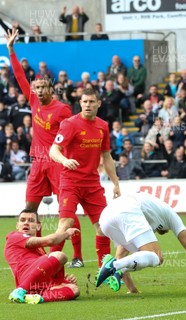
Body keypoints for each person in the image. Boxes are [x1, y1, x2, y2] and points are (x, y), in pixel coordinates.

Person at [5, 29, 85, 268]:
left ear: (50, 89)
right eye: (35, 88)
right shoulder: (32, 100)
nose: (38, 91)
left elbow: (70, 137)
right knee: (29, 208)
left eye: (42, 88)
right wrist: (11, 49)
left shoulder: (62, 110)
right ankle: (33, 248)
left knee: (66, 210)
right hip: (38, 162)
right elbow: (19, 75)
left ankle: (77, 255)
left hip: (57, 162)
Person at [49, 88, 121, 267]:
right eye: (84, 102)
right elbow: (53, 150)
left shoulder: (103, 125)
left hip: (92, 184)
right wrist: (64, 160)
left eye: (91, 102)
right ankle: (48, 266)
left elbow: (106, 156)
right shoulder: (69, 124)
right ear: (80, 103)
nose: (87, 105)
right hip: (70, 182)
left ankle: (103, 270)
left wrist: (116, 183)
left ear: (98, 104)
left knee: (104, 226)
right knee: (66, 223)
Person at [95, 193, 186, 292]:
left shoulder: (147, 214)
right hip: (127, 209)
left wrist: (133, 290)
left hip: (105, 219)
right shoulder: (171, 215)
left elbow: (120, 256)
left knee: (140, 255)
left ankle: (115, 268)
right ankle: (114, 266)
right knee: (157, 257)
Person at [5, 209, 80, 304]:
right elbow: (50, 241)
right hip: (25, 278)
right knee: (60, 255)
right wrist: (66, 234)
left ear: (38, 226)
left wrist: (64, 280)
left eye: (31, 220)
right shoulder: (15, 236)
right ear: (17, 225)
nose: (26, 223)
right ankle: (20, 290)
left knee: (73, 290)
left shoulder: (39, 249)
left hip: (36, 284)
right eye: (22, 220)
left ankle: (37, 298)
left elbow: (43, 270)